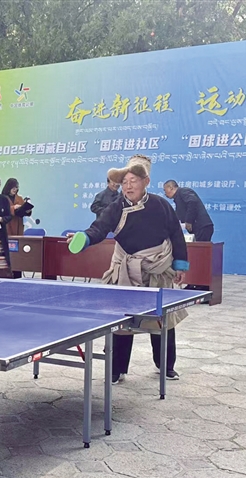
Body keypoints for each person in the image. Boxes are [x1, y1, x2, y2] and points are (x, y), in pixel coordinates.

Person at [69, 155, 189, 382]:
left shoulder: (161, 205)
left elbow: (176, 234)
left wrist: (180, 264)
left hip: (157, 267)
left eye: (133, 180)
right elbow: (99, 227)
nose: (128, 186)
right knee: (121, 322)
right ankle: (117, 369)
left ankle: (166, 366)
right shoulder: (116, 207)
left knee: (162, 321)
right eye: (124, 182)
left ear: (146, 182)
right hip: (125, 268)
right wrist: (84, 238)